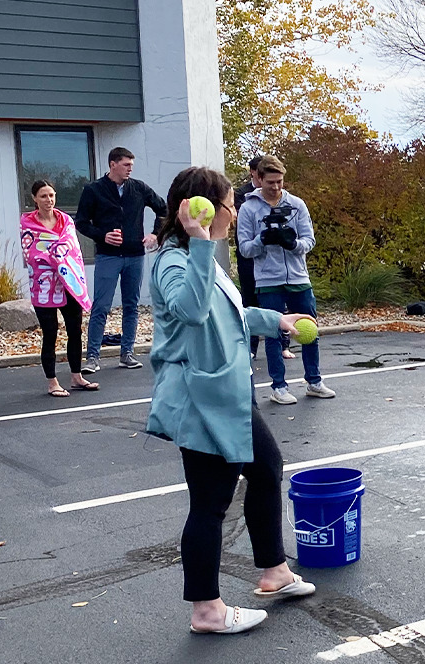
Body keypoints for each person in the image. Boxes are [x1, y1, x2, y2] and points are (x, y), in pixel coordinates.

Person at [148, 166, 317, 634]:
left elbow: (230, 313)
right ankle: (207, 610)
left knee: (266, 469)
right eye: (230, 203)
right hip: (201, 402)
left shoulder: (202, 257)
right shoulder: (175, 260)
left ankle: (274, 573)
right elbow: (192, 310)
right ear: (202, 210)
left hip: (229, 394)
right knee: (209, 504)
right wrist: (200, 239)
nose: (236, 210)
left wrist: (274, 321)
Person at [237, 155, 335, 404]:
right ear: (259, 179)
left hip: (299, 277)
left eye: (280, 181)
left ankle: (314, 380)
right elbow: (245, 249)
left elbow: (309, 241)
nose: (276, 187)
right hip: (268, 280)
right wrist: (263, 240)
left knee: (310, 328)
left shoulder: (297, 204)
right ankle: (278, 386)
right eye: (271, 182)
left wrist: (292, 244)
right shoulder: (249, 208)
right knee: (273, 331)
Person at [75, 146, 167, 374]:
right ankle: (93, 357)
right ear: (112, 164)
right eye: (126, 165)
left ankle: (127, 353)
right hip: (108, 256)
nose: (130, 170)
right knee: (101, 306)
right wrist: (102, 235)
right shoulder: (93, 190)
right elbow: (81, 222)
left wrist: (155, 234)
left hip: (135, 255)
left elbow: (163, 208)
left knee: (131, 305)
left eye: (131, 166)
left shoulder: (138, 188)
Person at [21, 180, 100, 397]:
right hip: (44, 284)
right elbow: (32, 253)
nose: (49, 200)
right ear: (34, 199)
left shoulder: (66, 220)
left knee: (75, 329)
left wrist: (59, 255)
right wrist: (54, 255)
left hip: (68, 281)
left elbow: (73, 248)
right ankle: (52, 381)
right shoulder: (28, 224)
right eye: (44, 196)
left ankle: (76, 376)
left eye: (52, 195)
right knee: (50, 332)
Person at [232, 156, 291, 359]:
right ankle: (251, 346)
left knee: (278, 301)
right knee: (250, 300)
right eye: (264, 176)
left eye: (278, 181)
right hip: (248, 256)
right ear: (254, 174)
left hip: (273, 258)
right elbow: (243, 228)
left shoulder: (287, 200)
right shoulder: (241, 195)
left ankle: (284, 344)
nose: (274, 186)